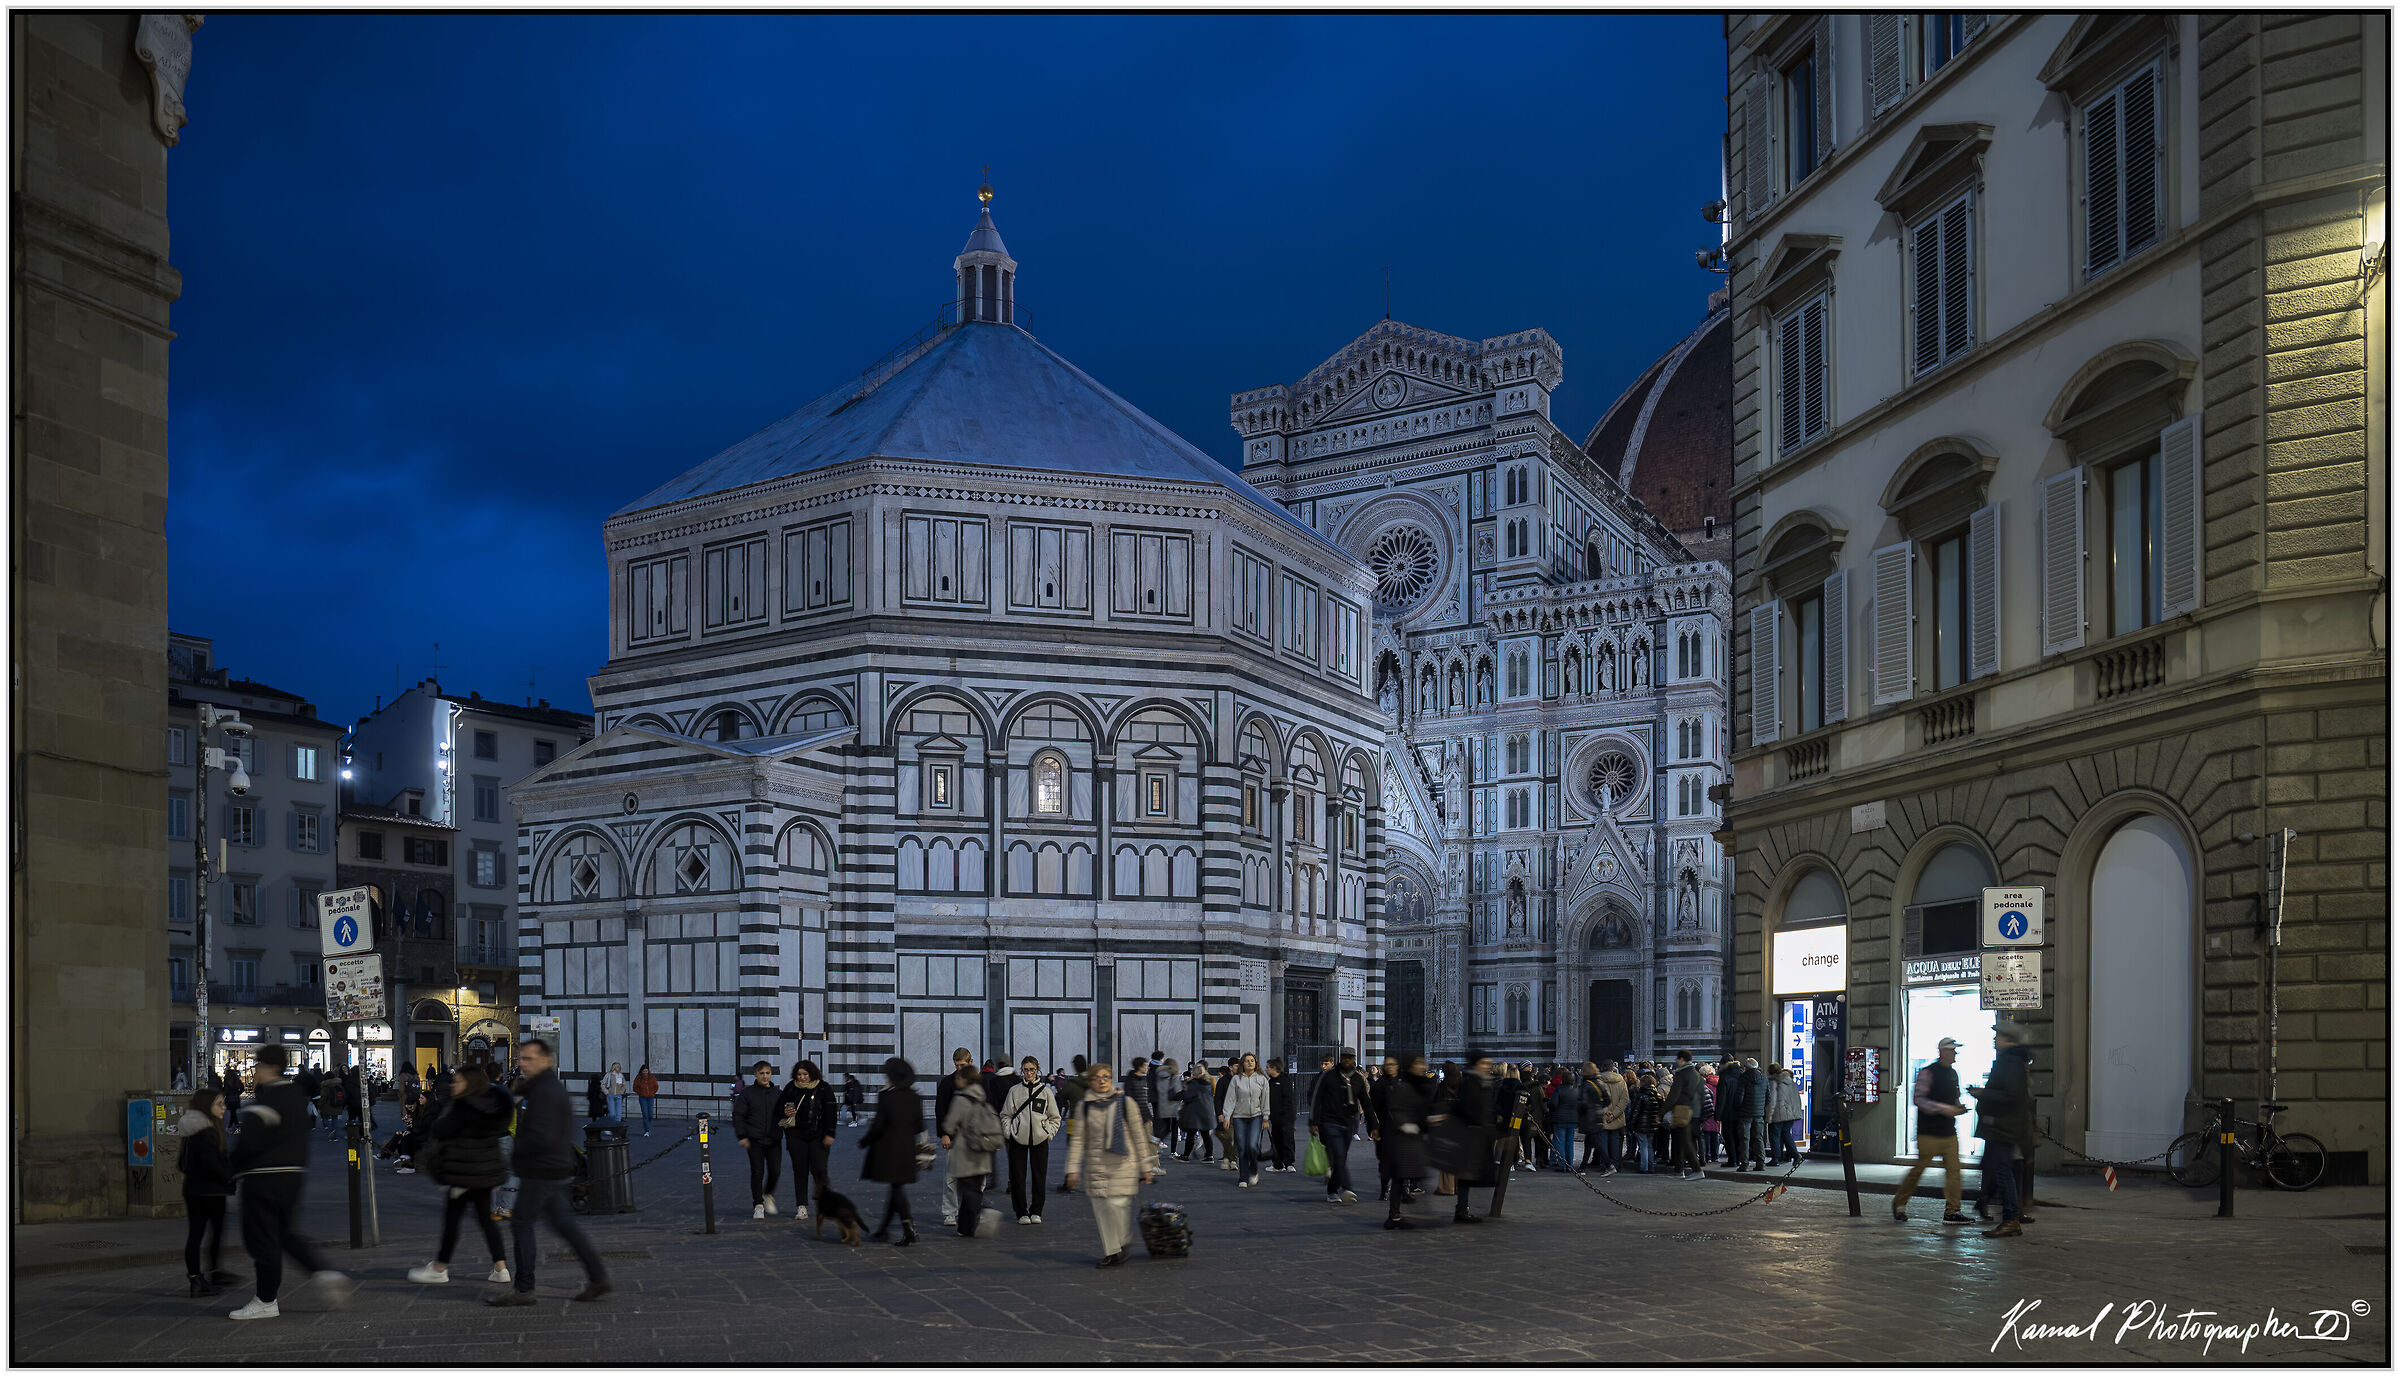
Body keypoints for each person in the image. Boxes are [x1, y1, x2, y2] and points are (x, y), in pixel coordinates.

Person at [225, 1045, 353, 1320]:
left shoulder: (268, 1099)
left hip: (263, 1177)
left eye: (258, 1066)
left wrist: (229, 1169)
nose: (255, 1071)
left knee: (262, 1239)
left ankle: (266, 1299)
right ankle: (322, 1272)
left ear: (268, 1067)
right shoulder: (296, 1095)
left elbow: (249, 1144)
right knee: (283, 1233)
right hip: (292, 1175)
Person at [488, 1038, 610, 1305]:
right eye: (521, 1058)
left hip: (540, 1170)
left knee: (521, 1223)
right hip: (552, 1168)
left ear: (545, 1061)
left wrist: (518, 1157)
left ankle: (524, 1289)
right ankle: (598, 1277)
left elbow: (541, 1135)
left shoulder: (544, 1091)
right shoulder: (542, 1088)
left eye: (528, 1058)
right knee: (565, 1226)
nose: (522, 1063)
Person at [406, 1064, 513, 1288]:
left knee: (452, 1221)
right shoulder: (490, 1104)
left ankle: (439, 1268)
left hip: (464, 1173)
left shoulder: (464, 1107)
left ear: (470, 1084)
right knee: (486, 1221)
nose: (453, 1085)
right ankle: (500, 1268)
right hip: (486, 1173)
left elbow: (441, 1130)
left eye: (458, 1081)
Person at [1062, 1062, 1158, 1267]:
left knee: (1117, 1206)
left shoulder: (1125, 1103)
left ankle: (1122, 1240)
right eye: (1098, 1077)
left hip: (1123, 1164)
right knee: (1101, 1209)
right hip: (1096, 1166)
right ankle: (1112, 1251)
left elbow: (1138, 1137)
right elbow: (1078, 1140)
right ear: (1091, 1082)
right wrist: (1072, 1170)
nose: (1103, 1081)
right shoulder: (1084, 1106)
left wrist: (1145, 1167)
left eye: (1106, 1077)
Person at [1894, 1037, 1972, 1225]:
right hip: (1929, 1132)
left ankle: (1952, 1211)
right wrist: (1944, 1109)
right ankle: (1899, 1203)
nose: (1955, 1054)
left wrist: (1959, 1107)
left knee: (1954, 1173)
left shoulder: (1954, 1074)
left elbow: (1953, 1098)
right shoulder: (1927, 1073)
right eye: (1952, 1050)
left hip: (1948, 1132)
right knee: (1918, 1170)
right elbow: (1919, 1099)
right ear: (1942, 1052)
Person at [1970, 1025, 2035, 1238]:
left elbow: (2009, 1096)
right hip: (2002, 1126)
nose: (1994, 1039)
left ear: (2008, 1039)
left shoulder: (2009, 1062)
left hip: (2002, 1126)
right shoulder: (2011, 1061)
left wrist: (1983, 1094)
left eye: (1998, 1036)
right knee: (2000, 1169)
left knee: (2003, 1171)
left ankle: (2011, 1219)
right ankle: (2008, 1214)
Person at [177, 1088, 236, 1296]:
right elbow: (212, 1163)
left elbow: (181, 1163)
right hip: (209, 1191)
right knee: (207, 1233)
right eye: (219, 1104)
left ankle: (201, 1277)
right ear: (206, 1106)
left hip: (195, 1189)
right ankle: (203, 1277)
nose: (224, 1108)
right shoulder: (206, 1131)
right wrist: (230, 1174)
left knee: (200, 1234)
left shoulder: (193, 1130)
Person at [858, 1056, 923, 1246]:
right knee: (896, 1187)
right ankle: (885, 1230)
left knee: (896, 1188)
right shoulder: (915, 1097)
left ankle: (907, 1228)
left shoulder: (887, 1096)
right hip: (907, 1149)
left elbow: (878, 1125)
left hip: (889, 1149)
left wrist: (865, 1141)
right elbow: (919, 1126)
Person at [1310, 1047, 1377, 1205]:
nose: (1347, 1060)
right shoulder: (1329, 1076)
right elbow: (1317, 1098)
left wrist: (1373, 1125)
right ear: (1340, 1058)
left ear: (1354, 1059)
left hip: (1347, 1122)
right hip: (1329, 1121)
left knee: (1342, 1157)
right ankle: (1347, 1188)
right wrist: (1313, 1121)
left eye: (1350, 1057)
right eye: (1344, 1057)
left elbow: (1367, 1104)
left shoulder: (1358, 1079)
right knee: (1339, 1155)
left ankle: (1332, 1190)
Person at [1000, 1056, 1062, 1225]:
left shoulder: (1046, 1092)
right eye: (1026, 1069)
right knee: (1018, 1177)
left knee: (1039, 1177)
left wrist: (1048, 1132)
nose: (1028, 1073)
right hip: (1018, 1139)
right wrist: (1009, 1132)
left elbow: (1055, 1117)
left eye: (1032, 1069)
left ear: (1037, 1070)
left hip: (1040, 1139)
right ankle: (1021, 1212)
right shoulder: (1014, 1091)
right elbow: (1006, 1114)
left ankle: (1036, 1210)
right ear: (1022, 1071)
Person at [939, 1065, 999, 1238]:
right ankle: (966, 1228)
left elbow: (950, 1125)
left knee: (966, 1188)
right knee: (975, 1187)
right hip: (982, 1149)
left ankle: (983, 1212)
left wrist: (949, 1131)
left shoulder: (961, 1099)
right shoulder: (982, 1096)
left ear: (965, 1080)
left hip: (965, 1150)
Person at [1437, 1052, 1496, 1223]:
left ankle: (1462, 1208)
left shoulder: (1477, 1081)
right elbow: (1469, 1109)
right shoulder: (1471, 1083)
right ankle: (1462, 1210)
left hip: (1475, 1134)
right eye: (1485, 1063)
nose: (1488, 1066)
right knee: (1466, 1174)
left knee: (1467, 1175)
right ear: (1477, 1064)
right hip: (1471, 1135)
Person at [1377, 1054, 1435, 1229]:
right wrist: (1410, 1126)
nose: (1422, 1066)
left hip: (1409, 1137)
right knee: (1405, 1175)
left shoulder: (1418, 1084)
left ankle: (1395, 1216)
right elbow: (1396, 1110)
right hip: (1401, 1139)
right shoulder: (1403, 1085)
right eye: (1418, 1063)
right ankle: (1404, 1215)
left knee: (1404, 1177)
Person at [778, 1060, 838, 1223]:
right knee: (800, 1170)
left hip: (818, 1135)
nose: (802, 1077)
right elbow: (779, 1107)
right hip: (796, 1135)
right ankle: (801, 1206)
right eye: (799, 1074)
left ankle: (823, 1203)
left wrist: (830, 1133)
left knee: (819, 1169)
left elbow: (831, 1112)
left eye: (805, 1074)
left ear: (812, 1073)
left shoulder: (823, 1088)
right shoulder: (791, 1087)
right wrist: (785, 1110)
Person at [732, 1060, 784, 1220]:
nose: (765, 1076)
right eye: (761, 1073)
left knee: (775, 1171)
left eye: (767, 1073)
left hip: (774, 1139)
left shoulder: (777, 1093)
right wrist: (742, 1136)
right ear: (755, 1074)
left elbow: (785, 1114)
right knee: (757, 1172)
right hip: (754, 1139)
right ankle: (758, 1205)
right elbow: (738, 1115)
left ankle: (767, 1194)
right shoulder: (748, 1094)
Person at [933, 1047, 976, 1226]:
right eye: (957, 1065)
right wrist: (944, 1134)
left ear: (970, 1062)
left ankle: (972, 1210)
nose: (959, 1068)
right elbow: (940, 1110)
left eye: (963, 1065)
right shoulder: (947, 1083)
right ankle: (950, 1212)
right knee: (951, 1176)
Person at [1221, 1052, 1271, 1188]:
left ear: (1256, 1063)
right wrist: (1227, 1116)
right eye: (1247, 1061)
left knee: (1252, 1146)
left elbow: (1265, 1100)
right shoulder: (1236, 1079)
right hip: (1239, 1117)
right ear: (1242, 1063)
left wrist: (1265, 1117)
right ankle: (1243, 1177)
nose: (1250, 1063)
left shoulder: (1262, 1079)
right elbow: (1230, 1099)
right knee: (1242, 1148)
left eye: (1252, 1061)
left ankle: (1253, 1171)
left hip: (1256, 1116)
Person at [1666, 1051, 1705, 1180]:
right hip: (1695, 1112)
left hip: (1683, 1111)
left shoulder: (1681, 1074)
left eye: (1677, 1059)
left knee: (1683, 1141)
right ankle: (1682, 1169)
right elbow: (1702, 1096)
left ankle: (1694, 1169)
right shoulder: (1697, 1075)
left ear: (1682, 1059)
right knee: (1686, 1141)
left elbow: (1673, 1095)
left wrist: (1662, 1112)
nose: (1676, 1061)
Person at [1175, 1060, 1217, 1163]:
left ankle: (1185, 1156)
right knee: (1206, 1134)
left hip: (1195, 1112)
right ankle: (1209, 1156)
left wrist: (1174, 1096)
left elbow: (1187, 1096)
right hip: (1207, 1111)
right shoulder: (1209, 1082)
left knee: (1190, 1134)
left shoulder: (1193, 1083)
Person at [1767, 1065, 1805, 1165]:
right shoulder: (1789, 1081)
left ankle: (1776, 1158)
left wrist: (1769, 1116)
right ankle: (1796, 1155)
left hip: (1778, 1113)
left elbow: (1772, 1101)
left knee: (1774, 1136)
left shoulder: (1774, 1082)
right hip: (1790, 1114)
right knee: (1786, 1135)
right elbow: (1796, 1098)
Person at [1265, 1058, 1298, 1172]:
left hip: (1286, 1117)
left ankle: (1289, 1163)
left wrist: (1285, 1113)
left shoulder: (1285, 1080)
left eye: (1268, 1067)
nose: (1266, 1069)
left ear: (1274, 1068)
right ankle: (1277, 1164)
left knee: (1287, 1139)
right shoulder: (1270, 1082)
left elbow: (1288, 1099)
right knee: (1276, 1140)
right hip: (1275, 1117)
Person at [1548, 1069, 1583, 1172]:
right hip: (1573, 1119)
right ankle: (1570, 1164)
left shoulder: (1559, 1090)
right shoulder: (1577, 1090)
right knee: (1569, 1142)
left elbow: (1553, 1104)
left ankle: (1562, 1164)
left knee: (1560, 1142)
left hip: (1560, 1119)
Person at [1149, 1056, 1179, 1150]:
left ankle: (1156, 1140)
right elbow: (1178, 1091)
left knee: (1165, 1127)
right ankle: (1173, 1151)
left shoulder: (1159, 1075)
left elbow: (1158, 1089)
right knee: (1173, 1128)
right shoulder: (1175, 1076)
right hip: (1173, 1106)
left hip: (1163, 1105)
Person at [632, 1064, 659, 1136]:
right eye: (644, 1071)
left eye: (646, 1071)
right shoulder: (638, 1078)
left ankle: (647, 1124)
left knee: (650, 1114)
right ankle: (646, 1130)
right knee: (645, 1114)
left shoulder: (652, 1077)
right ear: (641, 1071)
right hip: (642, 1097)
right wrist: (640, 1092)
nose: (645, 1072)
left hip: (650, 1097)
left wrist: (652, 1092)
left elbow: (656, 1086)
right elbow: (635, 1087)